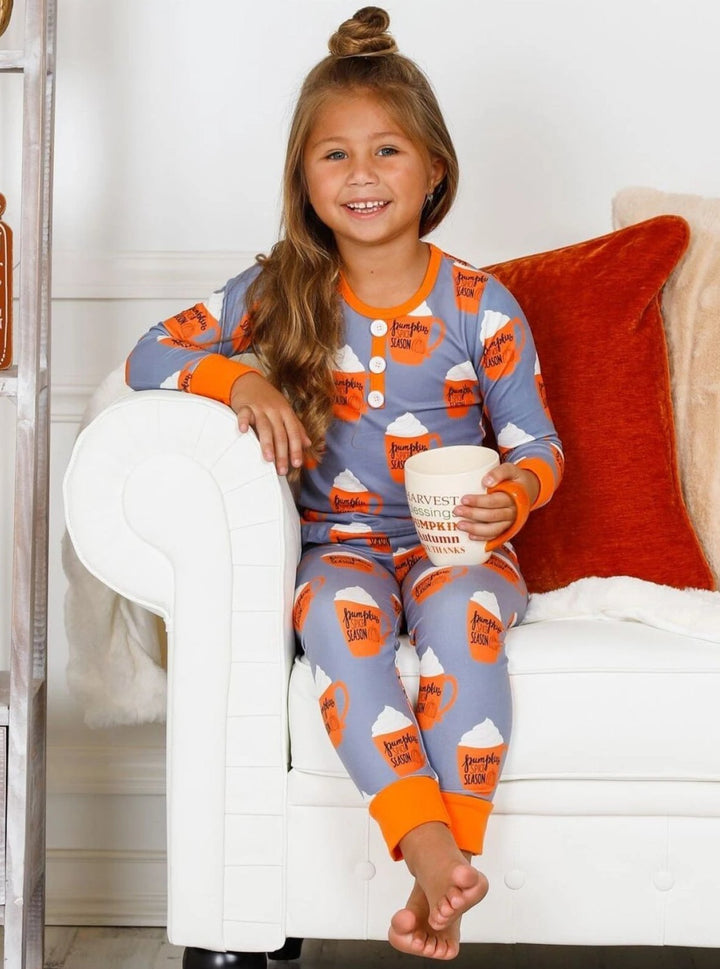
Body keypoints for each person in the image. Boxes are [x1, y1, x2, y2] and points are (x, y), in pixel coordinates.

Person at [126, 7, 563, 961]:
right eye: (335, 155)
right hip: (341, 548)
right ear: (304, 179)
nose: (362, 174)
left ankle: (447, 865)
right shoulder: (278, 291)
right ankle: (435, 851)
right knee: (333, 620)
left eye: (387, 150)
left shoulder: (480, 305)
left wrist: (517, 493)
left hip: (460, 548)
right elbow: (148, 353)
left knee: (463, 619)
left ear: (434, 169)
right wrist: (239, 380)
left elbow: (539, 441)